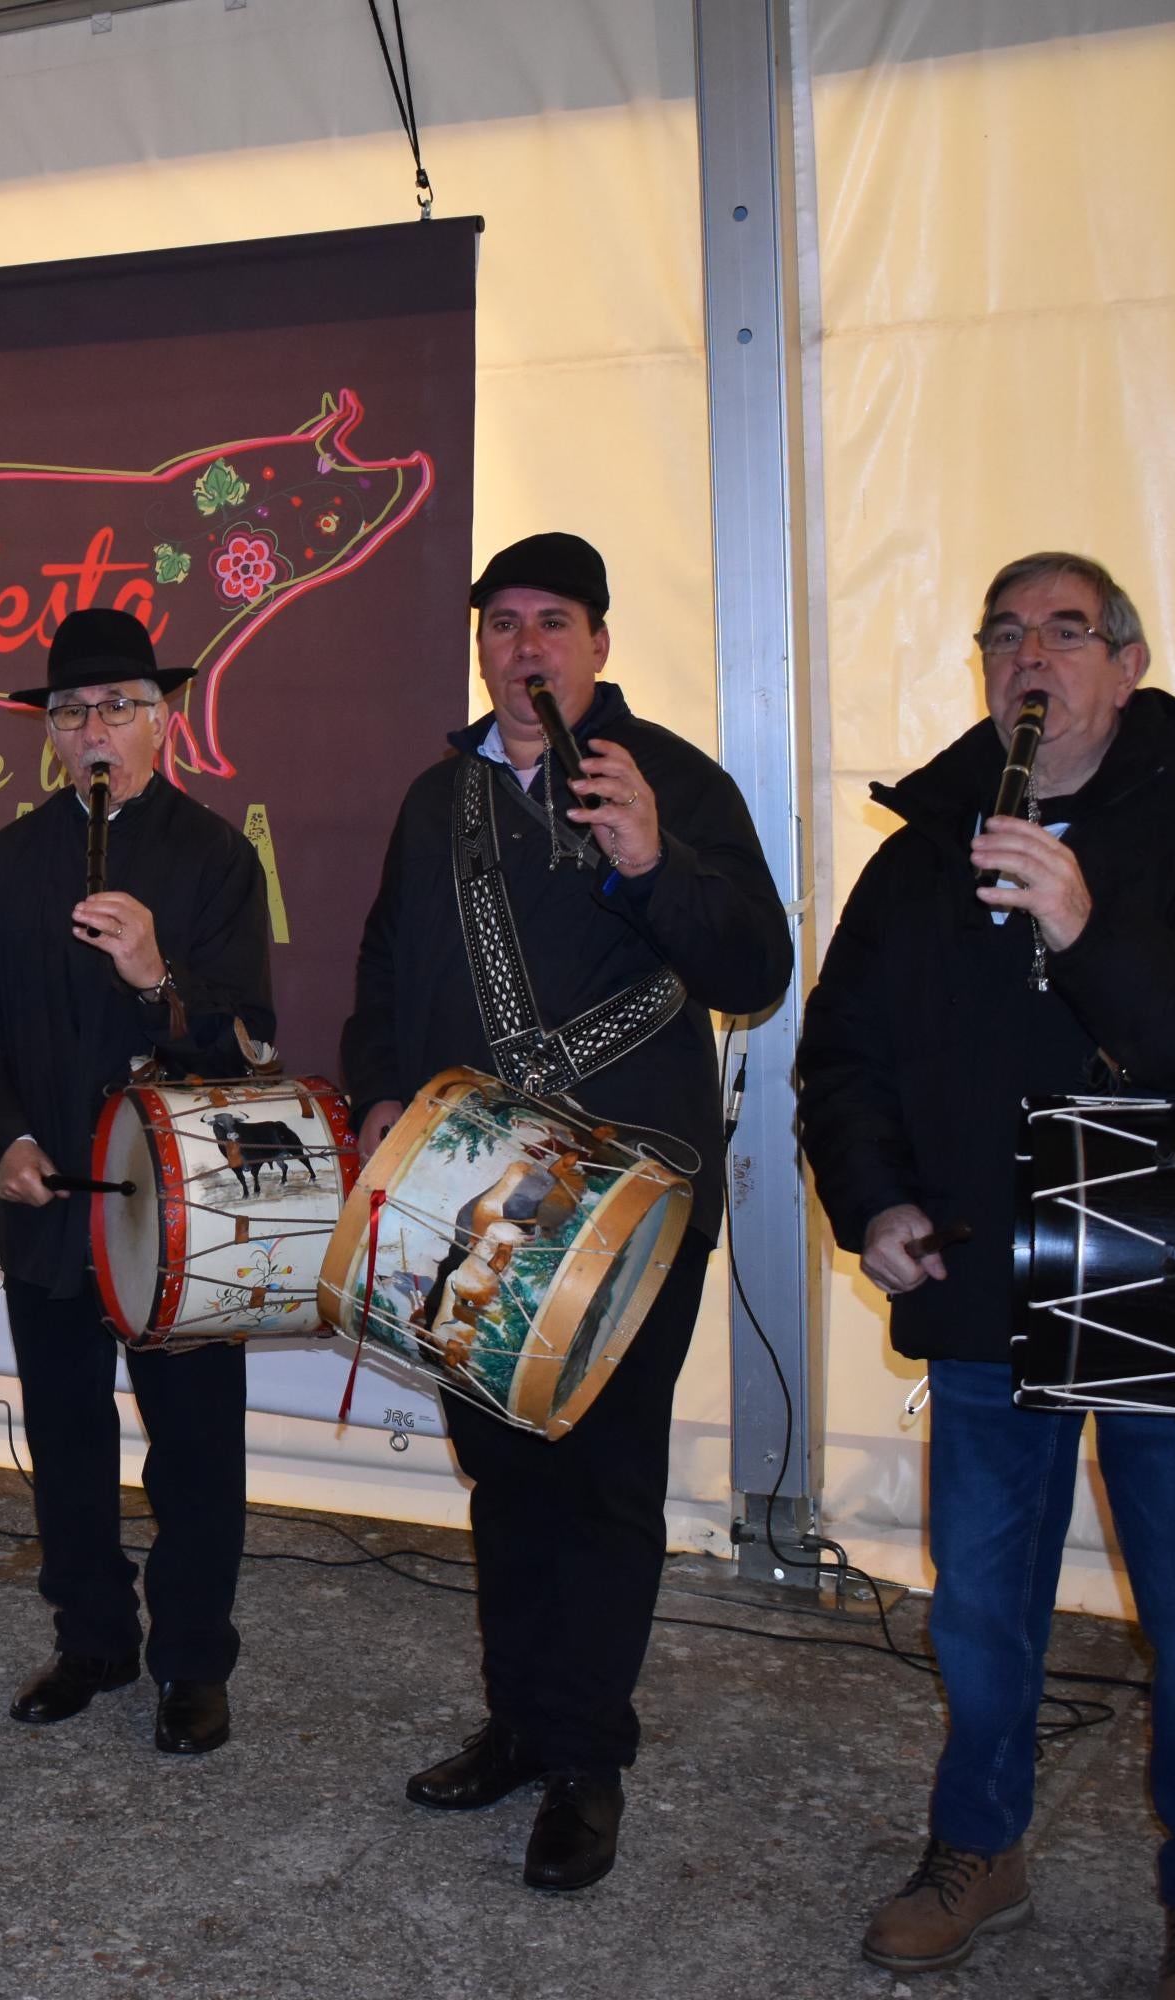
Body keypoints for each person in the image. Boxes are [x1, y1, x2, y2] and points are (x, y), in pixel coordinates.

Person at [799, 553, 1175, 2000]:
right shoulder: (925, 849)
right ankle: (980, 1847)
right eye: (1007, 633)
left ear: (1127, 664)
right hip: (986, 1272)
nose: (1035, 655)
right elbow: (842, 1055)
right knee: (980, 1604)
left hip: (1172, 1263)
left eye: (1068, 631)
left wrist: (1089, 923)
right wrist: (878, 1199)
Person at [341, 530, 791, 1889]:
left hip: (626, 1195)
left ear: (599, 644)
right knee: (503, 1464)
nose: (524, 647)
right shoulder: (438, 798)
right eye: (502, 624)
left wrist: (653, 859)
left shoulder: (676, 783)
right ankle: (525, 1723)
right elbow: (382, 958)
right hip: (467, 1183)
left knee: (601, 1479)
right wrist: (373, 1094)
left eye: (552, 623)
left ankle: (587, 1759)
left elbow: (754, 966)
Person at [0, 607, 274, 1756]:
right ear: (50, 734)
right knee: (67, 1434)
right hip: (46, 1196)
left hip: (179, 1209)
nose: (94, 729)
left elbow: (243, 1043)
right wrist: (3, 1137)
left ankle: (191, 1658)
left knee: (193, 1443)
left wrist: (153, 973)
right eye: (72, 711)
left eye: (118, 707)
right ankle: (91, 1637)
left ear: (162, 722)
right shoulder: (13, 859)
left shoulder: (216, 857)